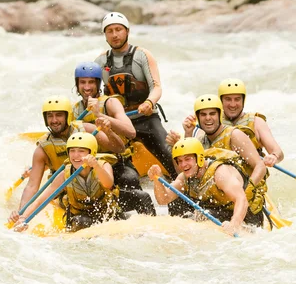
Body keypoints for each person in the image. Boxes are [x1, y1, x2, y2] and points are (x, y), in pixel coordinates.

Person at [94, 12, 177, 180]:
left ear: (127, 31)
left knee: (168, 154)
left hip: (146, 119)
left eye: (118, 29)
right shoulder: (100, 62)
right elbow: (93, 94)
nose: (115, 34)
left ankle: (182, 181)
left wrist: (149, 102)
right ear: (105, 35)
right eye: (109, 31)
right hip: (119, 124)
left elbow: (157, 87)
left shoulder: (142, 55)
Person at [72, 61, 156, 216]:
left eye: (91, 82)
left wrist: (99, 115)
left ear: (98, 84)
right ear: (77, 85)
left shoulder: (111, 102)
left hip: (117, 160)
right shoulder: (74, 110)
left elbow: (131, 132)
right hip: (89, 164)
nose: (87, 87)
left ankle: (135, 216)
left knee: (129, 178)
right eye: (82, 82)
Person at [17, 95, 124, 215]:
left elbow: (119, 148)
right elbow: (32, 186)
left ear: (67, 116)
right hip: (67, 189)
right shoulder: (42, 149)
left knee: (127, 179)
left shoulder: (87, 129)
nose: (54, 120)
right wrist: (21, 213)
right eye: (50, 116)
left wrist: (108, 131)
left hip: (95, 179)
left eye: (59, 115)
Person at [167, 94, 267, 222]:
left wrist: (247, 191)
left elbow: (260, 166)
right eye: (203, 115)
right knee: (176, 201)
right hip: (216, 196)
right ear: (197, 118)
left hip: (240, 194)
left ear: (219, 115)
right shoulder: (199, 141)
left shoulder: (234, 135)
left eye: (212, 114)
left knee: (205, 214)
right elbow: (186, 175)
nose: (208, 118)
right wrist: (187, 136)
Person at [10, 132, 123, 232]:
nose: (75, 155)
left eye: (81, 151)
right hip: (80, 216)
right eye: (72, 151)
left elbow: (108, 183)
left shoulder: (103, 165)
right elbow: (41, 200)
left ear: (91, 153)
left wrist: (96, 166)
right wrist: (23, 218)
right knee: (82, 221)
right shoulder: (64, 175)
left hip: (105, 212)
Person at [148, 137, 258, 235]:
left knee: (202, 214)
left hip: (247, 215)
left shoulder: (220, 173)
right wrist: (157, 180)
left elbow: (241, 199)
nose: (183, 165)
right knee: (178, 203)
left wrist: (234, 225)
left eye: (187, 159)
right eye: (180, 161)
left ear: (199, 158)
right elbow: (164, 199)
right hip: (218, 211)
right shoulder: (184, 178)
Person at [218, 78, 284, 167]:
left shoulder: (256, 122)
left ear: (243, 100)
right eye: (228, 99)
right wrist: (191, 130)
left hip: (253, 176)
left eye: (237, 99)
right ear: (221, 100)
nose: (233, 104)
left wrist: (274, 156)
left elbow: (278, 152)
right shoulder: (211, 123)